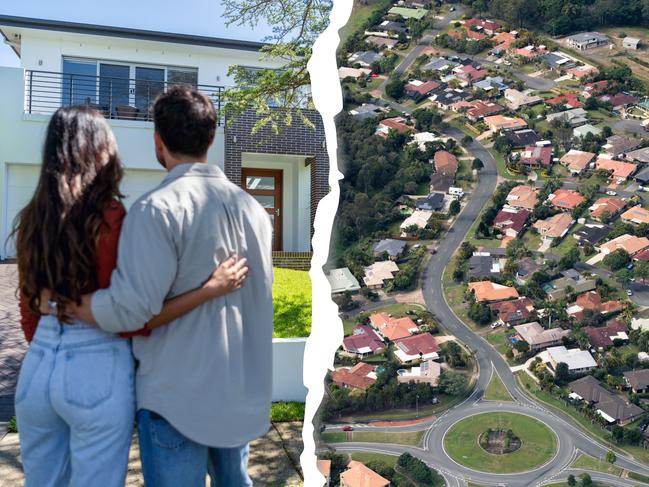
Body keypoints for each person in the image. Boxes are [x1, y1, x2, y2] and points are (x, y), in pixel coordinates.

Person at [13, 105, 249, 487]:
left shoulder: (31, 219)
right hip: (96, 364)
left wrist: (54, 330)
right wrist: (211, 288)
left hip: (38, 364)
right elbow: (132, 315)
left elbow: (28, 310)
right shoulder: (110, 218)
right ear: (102, 149)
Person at [69, 85, 274, 486]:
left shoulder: (155, 209)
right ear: (211, 139)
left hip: (176, 397)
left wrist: (75, 305)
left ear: (158, 140)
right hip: (238, 388)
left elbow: (131, 309)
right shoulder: (254, 210)